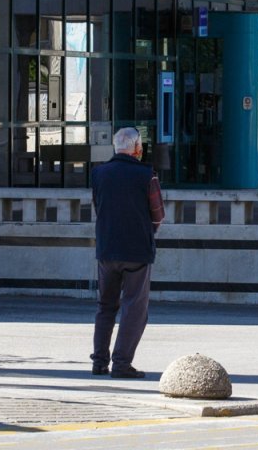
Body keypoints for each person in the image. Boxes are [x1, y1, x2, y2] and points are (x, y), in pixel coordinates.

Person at [90, 127, 165, 379]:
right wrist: (146, 230)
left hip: (107, 249)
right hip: (137, 251)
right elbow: (158, 215)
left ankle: (99, 361)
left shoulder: (98, 173)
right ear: (137, 148)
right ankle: (121, 363)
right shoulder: (147, 175)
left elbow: (99, 207)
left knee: (105, 305)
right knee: (134, 308)